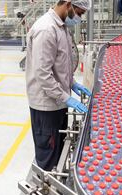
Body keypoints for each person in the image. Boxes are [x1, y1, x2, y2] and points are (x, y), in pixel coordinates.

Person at [26, 0, 90, 171]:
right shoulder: (46, 30)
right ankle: (47, 188)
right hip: (46, 106)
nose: (79, 18)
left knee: (59, 150)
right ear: (68, 4)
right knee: (48, 154)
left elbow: (60, 65)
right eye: (79, 12)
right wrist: (66, 97)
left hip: (59, 101)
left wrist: (73, 83)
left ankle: (57, 179)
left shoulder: (62, 28)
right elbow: (43, 74)